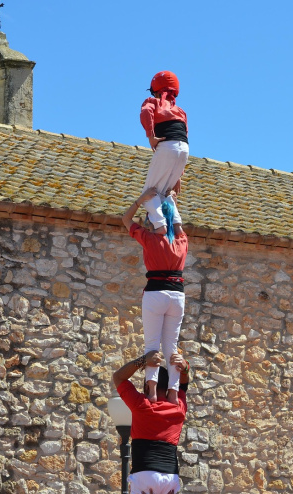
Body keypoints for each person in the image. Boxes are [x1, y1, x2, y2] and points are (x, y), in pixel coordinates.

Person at [123, 188, 188, 404]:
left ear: (152, 223)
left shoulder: (149, 239)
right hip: (177, 296)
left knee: (152, 345)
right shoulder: (181, 241)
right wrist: (172, 203)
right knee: (172, 345)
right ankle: (172, 392)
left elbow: (125, 219)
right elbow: (177, 224)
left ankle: (151, 389)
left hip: (156, 293)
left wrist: (141, 200)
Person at [113, 350, 192, 494]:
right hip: (170, 476)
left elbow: (118, 377)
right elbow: (183, 387)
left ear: (147, 387)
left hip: (144, 473)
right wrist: (185, 368)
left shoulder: (141, 404)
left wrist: (143, 360)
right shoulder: (179, 408)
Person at [140, 70, 189, 236]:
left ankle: (160, 228)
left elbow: (146, 113)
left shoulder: (152, 102)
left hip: (167, 146)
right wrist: (178, 175)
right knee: (165, 193)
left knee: (149, 193)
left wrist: (151, 136)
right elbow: (184, 137)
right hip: (184, 149)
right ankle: (177, 228)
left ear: (155, 89)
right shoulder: (181, 111)